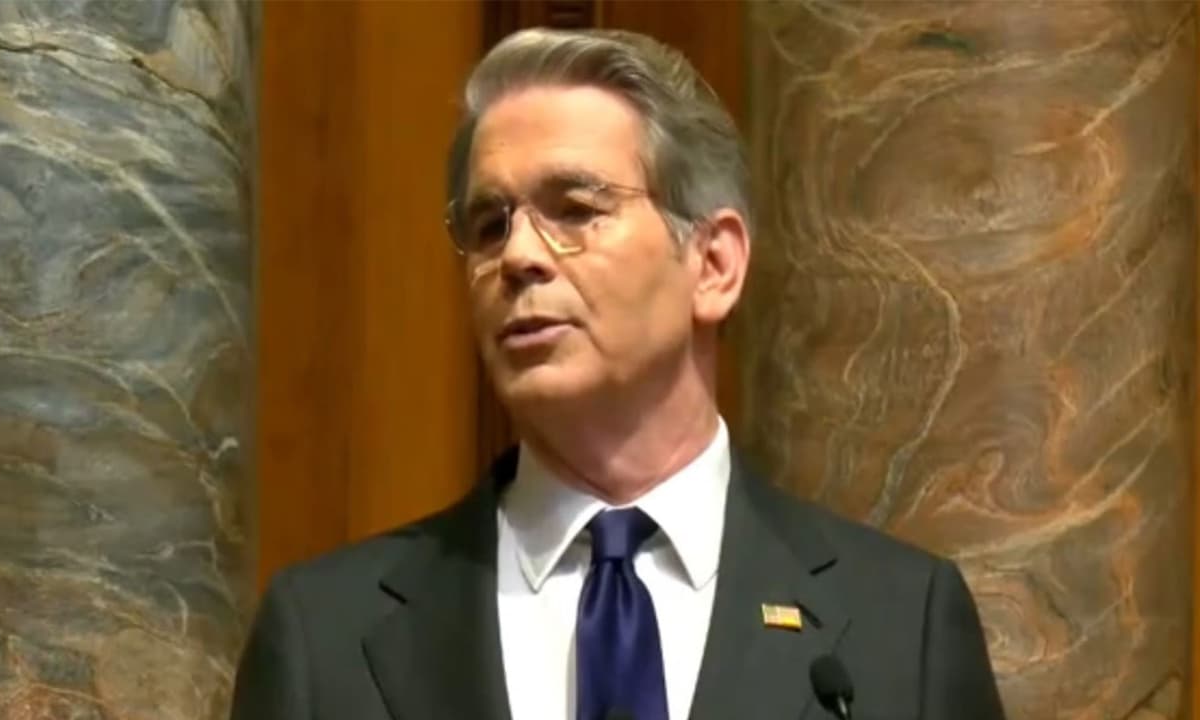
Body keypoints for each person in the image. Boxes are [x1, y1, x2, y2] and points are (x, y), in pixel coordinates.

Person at [231, 28, 1005, 720]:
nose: (518, 256)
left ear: (714, 264)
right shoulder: (325, 637)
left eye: (575, 209)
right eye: (490, 225)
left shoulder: (898, 628)